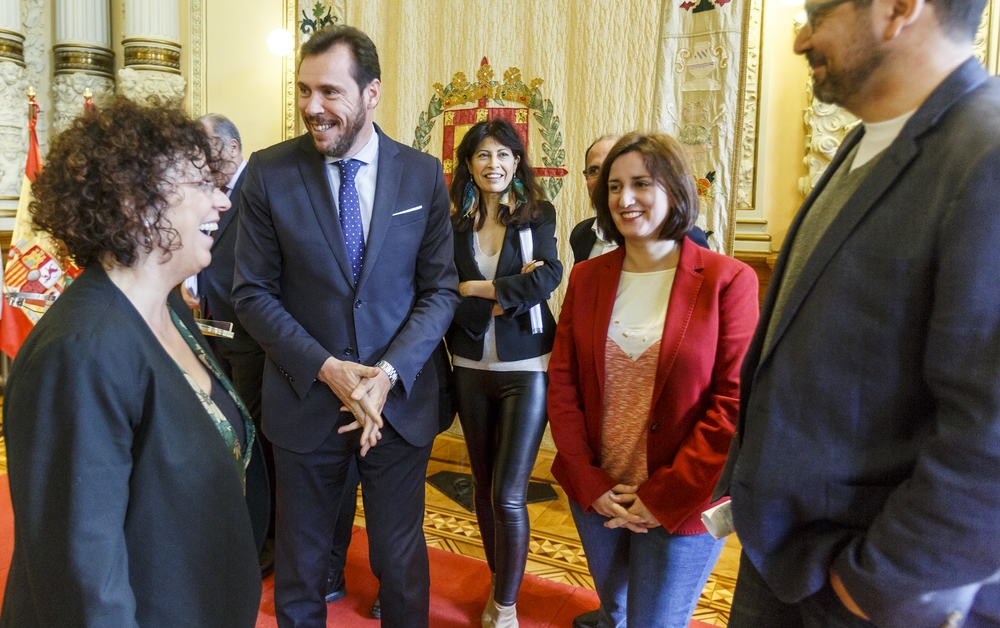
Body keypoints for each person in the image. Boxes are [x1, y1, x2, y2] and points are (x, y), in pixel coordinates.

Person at [713, 0, 1000, 626]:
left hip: (869, 591)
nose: (800, 40)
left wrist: (871, 588)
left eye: (819, 12)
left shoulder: (988, 152)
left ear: (899, 10)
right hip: (789, 563)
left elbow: (990, 437)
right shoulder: (865, 141)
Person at [0, 97, 268, 626]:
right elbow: (84, 577)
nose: (221, 202)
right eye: (201, 185)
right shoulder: (79, 351)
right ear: (135, 203)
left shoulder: (167, 307)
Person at [232, 24, 460, 628]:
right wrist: (327, 369)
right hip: (306, 402)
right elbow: (251, 293)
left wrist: (384, 375)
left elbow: (439, 291)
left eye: (330, 92)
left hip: (399, 406)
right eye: (304, 91)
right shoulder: (269, 172)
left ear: (372, 92)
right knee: (303, 567)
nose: (313, 107)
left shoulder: (421, 175)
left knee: (401, 559)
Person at [548, 132, 758, 628]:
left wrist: (659, 498)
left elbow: (733, 403)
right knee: (615, 611)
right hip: (599, 494)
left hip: (685, 500)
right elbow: (562, 382)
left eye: (641, 183)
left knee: (657, 621)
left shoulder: (729, 280)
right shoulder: (588, 277)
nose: (624, 198)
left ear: (676, 190)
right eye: (614, 186)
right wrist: (588, 478)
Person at [446, 119, 563, 628]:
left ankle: (507, 607)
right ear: (469, 165)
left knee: (508, 493)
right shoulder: (451, 225)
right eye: (482, 155)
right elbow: (443, 287)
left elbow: (550, 276)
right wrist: (498, 292)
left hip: (527, 366)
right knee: (481, 483)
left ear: (517, 162)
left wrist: (479, 291)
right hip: (469, 365)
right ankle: (501, 584)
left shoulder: (537, 215)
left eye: (503, 155)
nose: (493, 164)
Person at [193, 112, 276, 576]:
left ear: (229, 147)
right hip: (215, 331)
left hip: (251, 337)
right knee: (229, 434)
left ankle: (266, 534)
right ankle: (242, 526)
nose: (200, 160)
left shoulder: (258, 186)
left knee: (255, 440)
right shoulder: (214, 193)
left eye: (204, 149)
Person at [570, 134, 708, 266]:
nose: (602, 178)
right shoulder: (582, 234)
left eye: (640, 184)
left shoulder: (690, 237)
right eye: (594, 170)